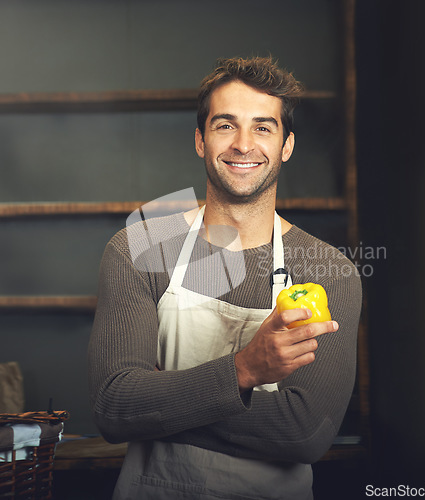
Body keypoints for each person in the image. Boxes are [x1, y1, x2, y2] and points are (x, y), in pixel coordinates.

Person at [88, 56, 362, 500]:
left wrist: (164, 399)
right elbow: (115, 407)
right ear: (200, 140)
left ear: (286, 146)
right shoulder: (140, 246)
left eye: (263, 127)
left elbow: (305, 433)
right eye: (225, 125)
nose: (243, 144)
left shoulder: (328, 268)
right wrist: (246, 369)